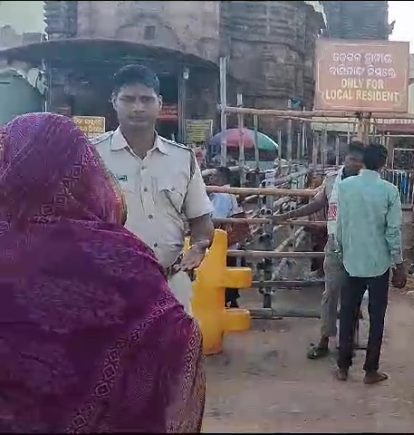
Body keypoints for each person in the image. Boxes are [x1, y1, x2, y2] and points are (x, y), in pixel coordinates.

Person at [0, 113, 205, 432]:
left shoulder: (181, 159)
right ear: (83, 173)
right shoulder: (121, 257)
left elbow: (201, 219)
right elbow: (172, 334)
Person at [93, 65, 214, 315]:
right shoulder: (91, 155)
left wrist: (200, 246)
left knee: (173, 352)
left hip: (170, 285)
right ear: (114, 101)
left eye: (146, 99)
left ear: (159, 103)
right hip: (111, 291)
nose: (138, 107)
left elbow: (201, 221)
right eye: (128, 99)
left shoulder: (182, 158)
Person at [273, 142, 365, 359]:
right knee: (330, 294)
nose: (356, 164)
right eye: (353, 159)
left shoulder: (366, 183)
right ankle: (325, 339)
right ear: (345, 159)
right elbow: (316, 204)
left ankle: (349, 341)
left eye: (360, 161)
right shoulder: (332, 180)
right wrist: (287, 216)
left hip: (359, 246)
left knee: (353, 296)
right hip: (334, 245)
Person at [334, 143, 407, 384]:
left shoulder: (345, 187)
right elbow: (393, 230)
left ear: (363, 160)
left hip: (351, 259)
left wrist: (341, 251)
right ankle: (370, 370)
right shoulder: (389, 191)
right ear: (385, 163)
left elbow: (340, 225)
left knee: (347, 314)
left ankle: (343, 366)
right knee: (377, 317)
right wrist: (398, 263)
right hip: (379, 263)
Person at [209, 166, 245, 308]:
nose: (211, 179)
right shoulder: (227, 193)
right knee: (229, 267)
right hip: (229, 238)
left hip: (223, 238)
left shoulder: (222, 195)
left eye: (214, 176)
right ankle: (231, 299)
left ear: (222, 178)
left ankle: (224, 301)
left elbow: (217, 218)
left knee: (222, 268)